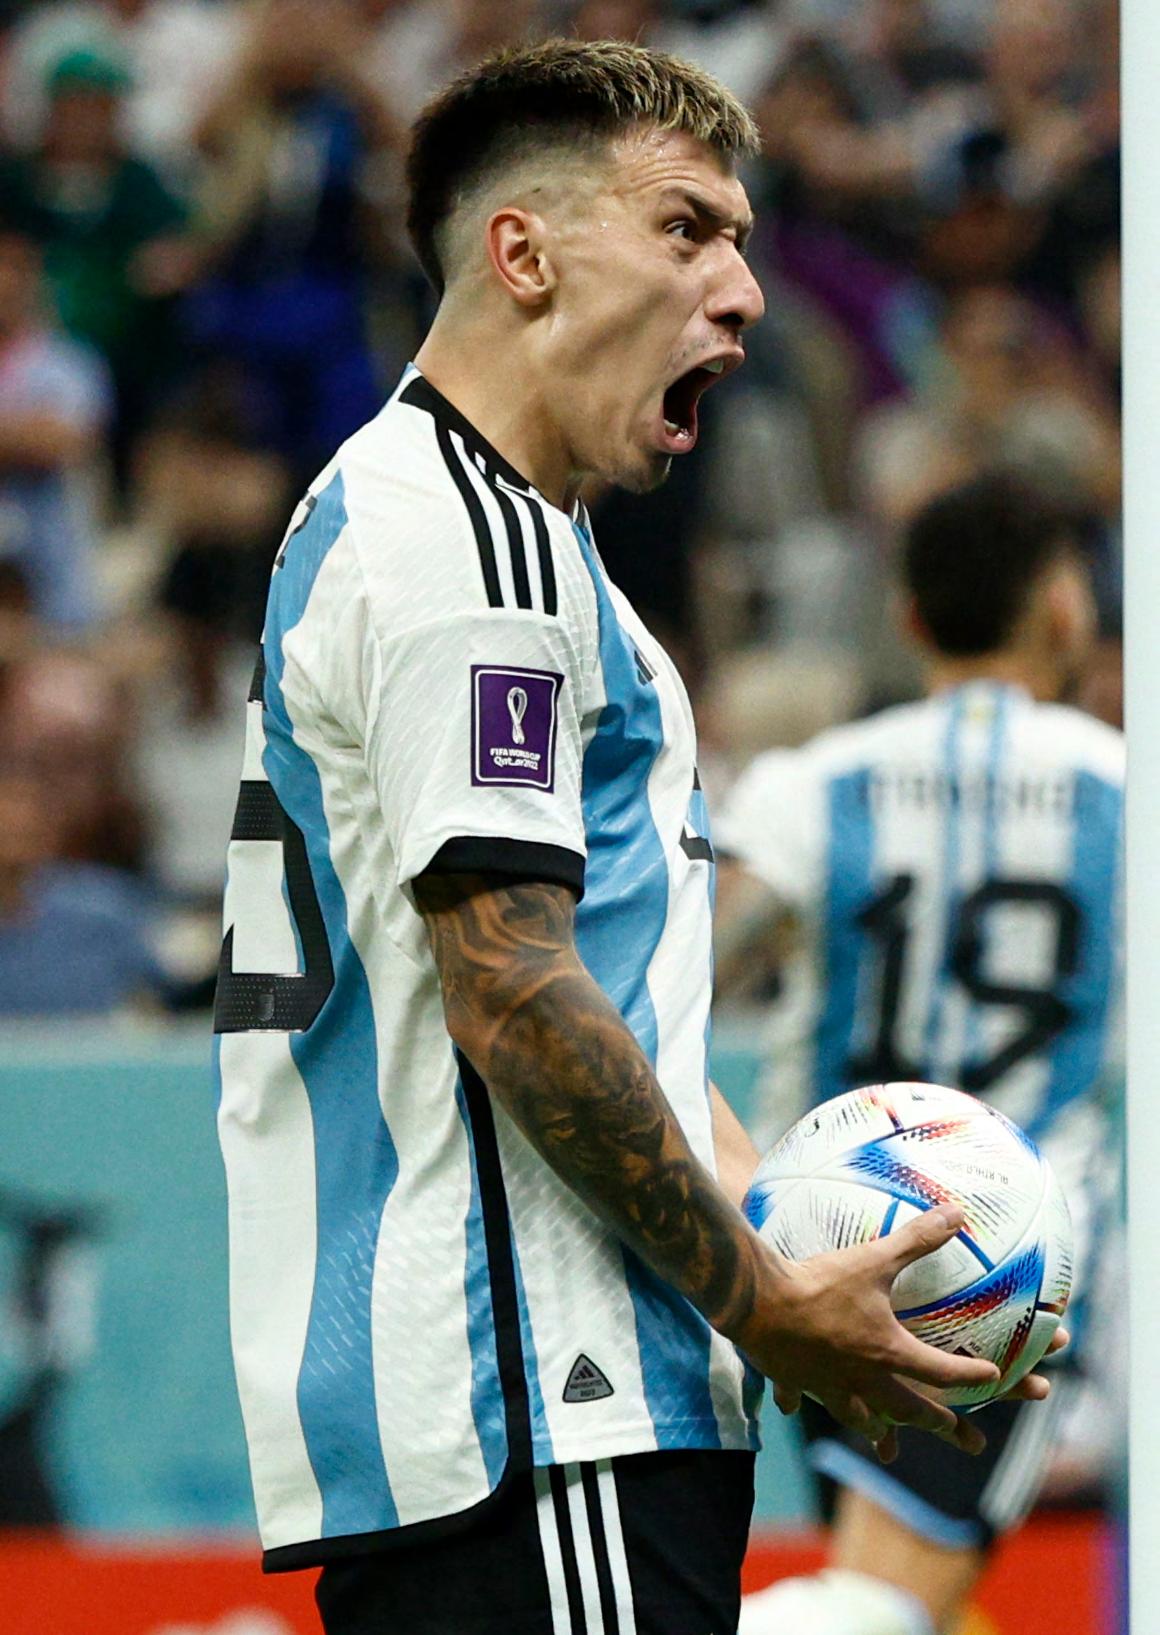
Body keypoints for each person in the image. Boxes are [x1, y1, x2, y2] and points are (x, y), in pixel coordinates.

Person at [213, 42, 1056, 1635]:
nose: (743, 292)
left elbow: (603, 995)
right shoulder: (473, 553)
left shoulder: (467, 527)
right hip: (547, 1405)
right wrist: (762, 1300)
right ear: (523, 253)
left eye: (742, 240)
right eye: (686, 230)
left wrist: (809, 1261)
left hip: (506, 1411)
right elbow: (517, 996)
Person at [716, 472, 1120, 1635]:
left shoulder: (814, 784)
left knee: (889, 1592)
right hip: (1008, 1254)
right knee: (879, 1603)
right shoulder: (1118, 786)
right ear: (1061, 609)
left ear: (907, 618)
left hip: (816, 1240)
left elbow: (671, 982)